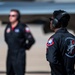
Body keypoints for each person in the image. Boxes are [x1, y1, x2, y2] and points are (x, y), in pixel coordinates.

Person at [4, 9, 35, 75]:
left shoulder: (22, 27)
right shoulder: (8, 27)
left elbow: (31, 40)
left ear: (17, 17)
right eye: (9, 15)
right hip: (10, 55)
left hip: (19, 55)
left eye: (13, 15)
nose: (10, 17)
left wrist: (25, 47)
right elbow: (6, 39)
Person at [46, 10, 75, 75]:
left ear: (55, 22)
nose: (50, 22)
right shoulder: (73, 38)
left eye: (51, 19)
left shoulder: (54, 39)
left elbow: (52, 59)